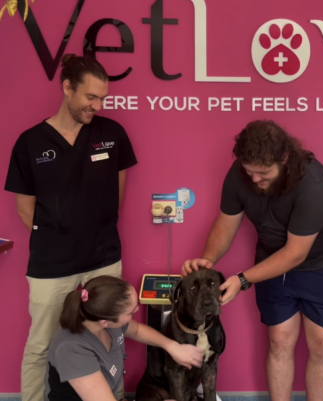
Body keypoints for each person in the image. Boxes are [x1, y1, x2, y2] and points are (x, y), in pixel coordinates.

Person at [181, 120, 323, 401]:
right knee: (279, 340)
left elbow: (295, 253)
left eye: (263, 174)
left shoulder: (314, 183)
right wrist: (207, 259)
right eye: (250, 173)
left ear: (284, 159)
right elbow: (226, 223)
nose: (255, 180)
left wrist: (243, 279)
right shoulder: (240, 174)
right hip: (271, 263)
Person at [4, 54, 137, 401]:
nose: (97, 105)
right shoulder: (30, 143)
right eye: (90, 97)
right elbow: (24, 210)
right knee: (41, 344)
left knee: (115, 334)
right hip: (53, 264)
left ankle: (114, 396)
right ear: (67, 88)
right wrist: (63, 235)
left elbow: (117, 195)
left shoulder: (112, 134)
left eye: (102, 98)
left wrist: (90, 230)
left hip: (104, 258)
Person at [45, 275, 204, 401]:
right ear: (105, 322)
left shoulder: (105, 321)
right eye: (130, 312)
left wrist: (172, 346)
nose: (137, 309)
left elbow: (137, 330)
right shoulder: (73, 350)